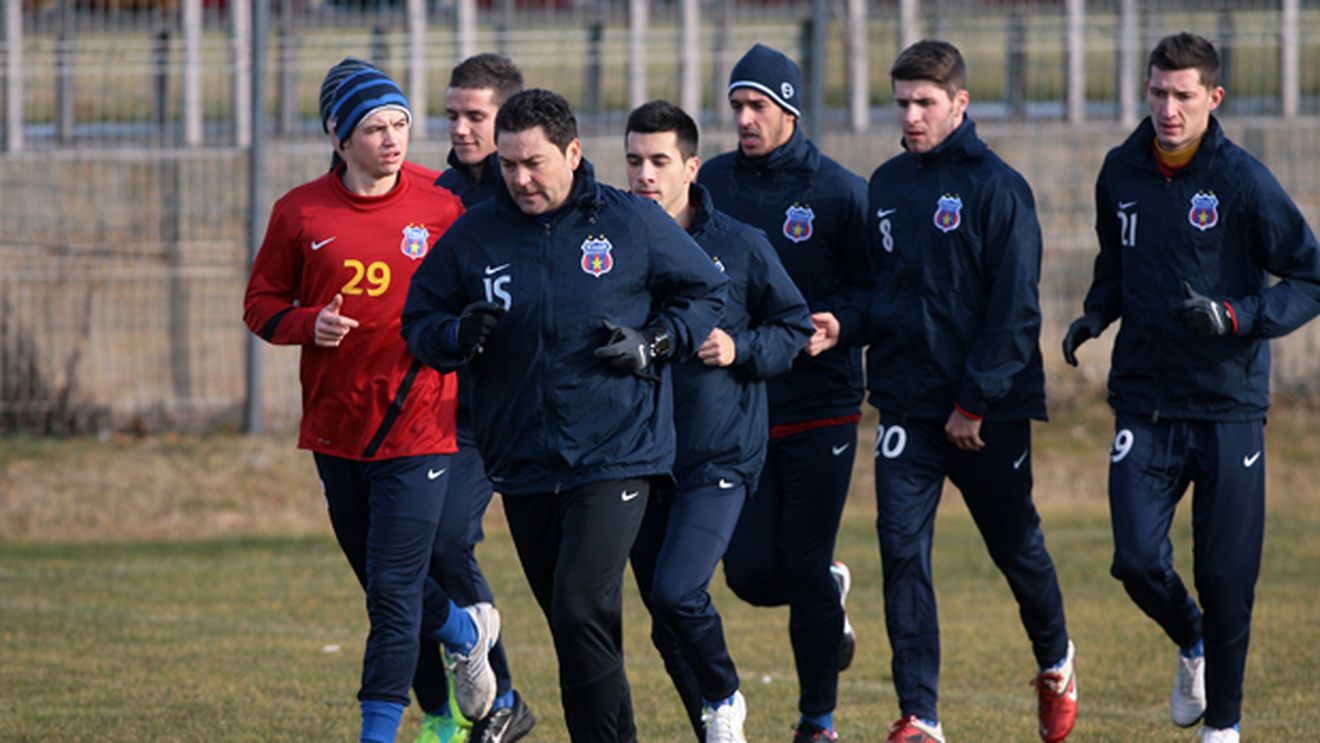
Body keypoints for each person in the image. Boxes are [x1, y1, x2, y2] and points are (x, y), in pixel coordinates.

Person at [401, 88, 727, 743]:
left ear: (574, 154)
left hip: (617, 451)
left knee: (582, 604)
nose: (519, 178)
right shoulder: (476, 232)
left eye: (535, 163)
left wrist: (656, 341)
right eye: (509, 164)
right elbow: (420, 320)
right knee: (574, 621)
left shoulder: (630, 223)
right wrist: (456, 336)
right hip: (522, 460)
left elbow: (707, 290)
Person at [814, 39, 1077, 743]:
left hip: (987, 411)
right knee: (900, 546)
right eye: (901, 102)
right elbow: (885, 294)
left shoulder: (1000, 188)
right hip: (909, 405)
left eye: (925, 102)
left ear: (960, 103)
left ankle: (1056, 659)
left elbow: (1015, 311)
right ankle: (921, 716)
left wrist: (975, 401)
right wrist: (844, 321)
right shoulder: (889, 184)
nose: (912, 114)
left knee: (1015, 547)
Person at [1062, 32, 1320, 743]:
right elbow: (1116, 261)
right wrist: (1094, 311)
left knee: (1227, 575)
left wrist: (1238, 316)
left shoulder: (1242, 181)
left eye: (1183, 94)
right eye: (1157, 92)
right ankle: (1192, 639)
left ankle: (1224, 728)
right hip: (1144, 400)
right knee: (1136, 559)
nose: (1168, 109)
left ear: (1214, 97)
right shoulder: (1120, 171)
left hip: (1227, 405)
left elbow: (1309, 277)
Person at [243, 67, 501, 743]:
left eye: (399, 124)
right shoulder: (300, 212)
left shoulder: (441, 205)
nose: (392, 140)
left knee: (391, 593)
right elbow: (260, 305)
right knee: (392, 590)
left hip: (421, 424)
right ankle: (462, 630)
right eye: (373, 128)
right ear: (337, 134)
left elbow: (472, 298)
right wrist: (308, 324)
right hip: (335, 430)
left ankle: (383, 731)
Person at [623, 100, 814, 743]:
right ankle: (713, 728)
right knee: (661, 617)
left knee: (680, 593)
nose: (644, 174)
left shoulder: (740, 244)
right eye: (633, 161)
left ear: (691, 166)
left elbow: (792, 325)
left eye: (658, 161)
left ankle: (726, 697)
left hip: (717, 456)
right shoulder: (612, 245)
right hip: (638, 456)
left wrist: (742, 350)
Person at [697, 43, 870, 743]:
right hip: (740, 404)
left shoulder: (838, 191)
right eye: (736, 105)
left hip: (820, 401)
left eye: (757, 106)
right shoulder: (711, 182)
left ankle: (817, 720)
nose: (743, 117)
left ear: (789, 109)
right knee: (751, 575)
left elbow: (875, 289)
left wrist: (844, 324)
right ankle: (830, 582)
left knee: (798, 564)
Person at [412, 52, 535, 743]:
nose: (459, 128)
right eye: (452, 114)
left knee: (446, 536)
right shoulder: (434, 193)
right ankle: (474, 706)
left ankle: (497, 696)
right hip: (441, 403)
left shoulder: (535, 191)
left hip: (508, 409)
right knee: (416, 550)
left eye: (475, 116)